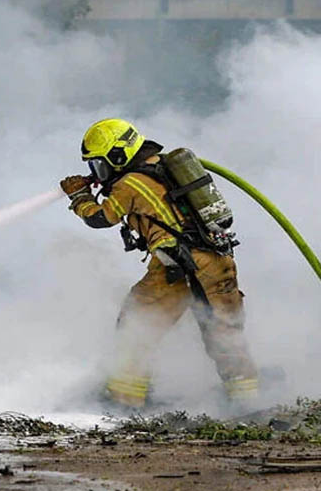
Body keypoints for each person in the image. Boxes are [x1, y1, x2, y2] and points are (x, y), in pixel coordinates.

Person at [60, 118, 258, 410]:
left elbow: (101, 218)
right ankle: (248, 404)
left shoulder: (130, 183)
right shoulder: (165, 167)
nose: (98, 173)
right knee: (225, 334)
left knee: (136, 324)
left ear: (118, 155)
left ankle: (124, 401)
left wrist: (80, 197)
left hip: (176, 268)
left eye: (100, 165)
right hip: (218, 262)